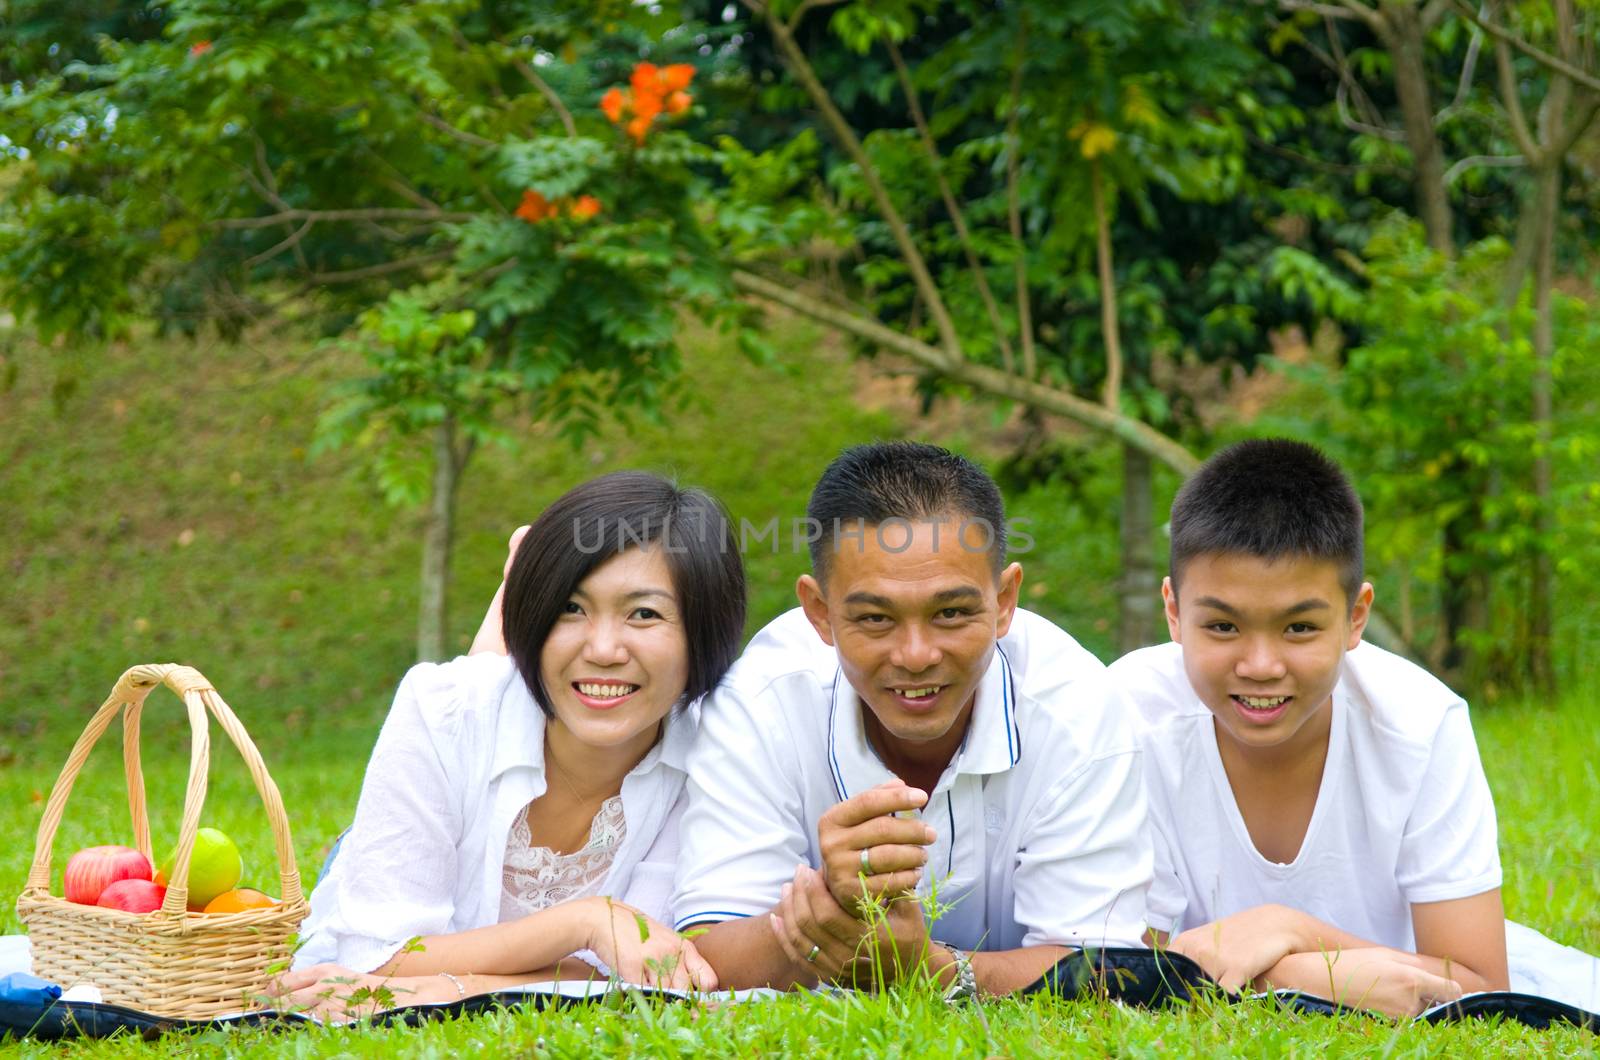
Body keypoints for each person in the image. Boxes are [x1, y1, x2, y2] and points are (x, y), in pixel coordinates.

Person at [673, 441, 1152, 997]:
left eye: (950, 613)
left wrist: (926, 967)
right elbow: (704, 956)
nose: (916, 654)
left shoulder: (1077, 709)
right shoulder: (762, 703)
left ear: (1004, 601)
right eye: (875, 618)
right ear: (819, 613)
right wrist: (830, 906)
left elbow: (1103, 972)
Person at [278, 471, 745, 1016]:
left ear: (704, 632)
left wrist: (439, 989)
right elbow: (375, 959)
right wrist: (589, 920)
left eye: (644, 613)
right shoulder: (438, 708)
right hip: (408, 830)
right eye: (571, 607)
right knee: (480, 694)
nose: (603, 647)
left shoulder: (714, 758)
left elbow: (644, 974)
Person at [1107, 439, 1507, 1017]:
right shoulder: (1127, 715)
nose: (1262, 665)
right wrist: (1304, 975)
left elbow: (1481, 985)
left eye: (1299, 628)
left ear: (1355, 617)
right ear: (1173, 611)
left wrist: (1286, 928)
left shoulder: (1420, 726)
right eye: (1222, 626)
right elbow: (1117, 964)